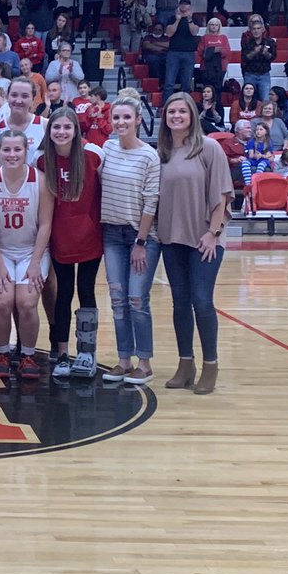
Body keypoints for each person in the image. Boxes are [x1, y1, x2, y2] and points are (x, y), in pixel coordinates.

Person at [157, 93, 233, 396]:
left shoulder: (209, 148)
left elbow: (223, 194)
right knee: (179, 302)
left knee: (201, 300)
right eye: (171, 111)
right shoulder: (161, 152)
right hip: (171, 239)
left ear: (191, 115)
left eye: (182, 111)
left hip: (205, 238)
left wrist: (213, 233)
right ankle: (185, 364)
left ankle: (210, 365)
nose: (176, 116)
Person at [99, 92, 161, 386]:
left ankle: (144, 363)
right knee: (118, 299)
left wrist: (141, 242)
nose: (121, 122)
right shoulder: (106, 149)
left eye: (127, 117)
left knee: (137, 299)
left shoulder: (149, 155)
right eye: (116, 117)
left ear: (138, 120)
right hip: (111, 234)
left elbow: (151, 202)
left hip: (140, 237)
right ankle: (124, 360)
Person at [37, 107, 103, 379]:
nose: (61, 132)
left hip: (90, 237)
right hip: (59, 238)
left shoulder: (94, 157)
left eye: (67, 127)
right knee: (63, 292)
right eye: (56, 127)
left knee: (86, 291)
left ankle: (87, 352)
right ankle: (62, 353)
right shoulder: (42, 162)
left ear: (76, 131)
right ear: (49, 131)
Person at [0, 129, 53, 381]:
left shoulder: (41, 180)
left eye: (17, 149)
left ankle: (27, 355)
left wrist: (35, 263)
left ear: (27, 151)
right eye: (7, 149)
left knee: (26, 303)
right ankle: (2, 353)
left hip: (31, 251)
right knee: (3, 303)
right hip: (0, 251)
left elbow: (46, 224)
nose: (12, 154)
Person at [162, 0, 200, 107]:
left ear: (190, 7)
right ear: (179, 5)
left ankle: (186, 107)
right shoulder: (172, 18)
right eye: (182, 4)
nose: (184, 6)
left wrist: (189, 19)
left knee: (186, 84)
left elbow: (194, 32)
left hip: (189, 53)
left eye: (186, 4)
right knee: (169, 83)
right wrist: (177, 20)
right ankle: (166, 107)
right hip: (173, 53)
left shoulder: (194, 19)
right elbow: (169, 33)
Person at [239, 15, 277, 103]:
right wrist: (254, 52)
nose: (256, 31)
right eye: (254, 29)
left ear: (263, 29)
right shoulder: (247, 42)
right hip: (250, 74)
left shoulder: (270, 42)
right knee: (248, 100)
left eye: (258, 28)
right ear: (251, 30)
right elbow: (245, 57)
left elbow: (273, 57)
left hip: (264, 75)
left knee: (265, 100)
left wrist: (266, 53)